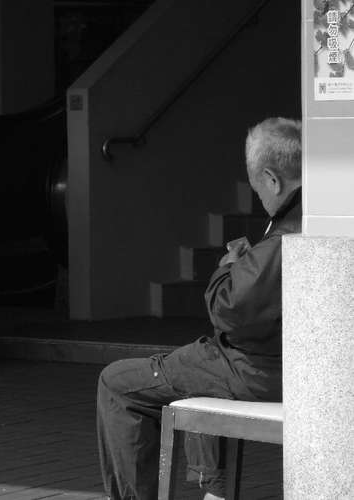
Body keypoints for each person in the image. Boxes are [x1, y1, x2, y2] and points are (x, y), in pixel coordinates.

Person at [96, 117, 302, 500]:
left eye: (257, 189)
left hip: (260, 371)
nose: (260, 198)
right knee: (198, 364)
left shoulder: (283, 240)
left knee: (118, 383)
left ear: (272, 180)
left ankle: (203, 490)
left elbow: (230, 311)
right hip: (289, 365)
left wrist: (228, 268)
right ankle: (215, 489)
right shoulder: (321, 214)